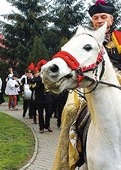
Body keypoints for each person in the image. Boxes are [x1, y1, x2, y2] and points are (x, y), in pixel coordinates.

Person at [53, 0, 121, 169]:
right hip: (89, 83)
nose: (99, 21)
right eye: (96, 17)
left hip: (116, 80)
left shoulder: (119, 38)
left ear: (111, 20)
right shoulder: (84, 40)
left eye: (103, 17)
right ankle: (72, 156)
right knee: (69, 110)